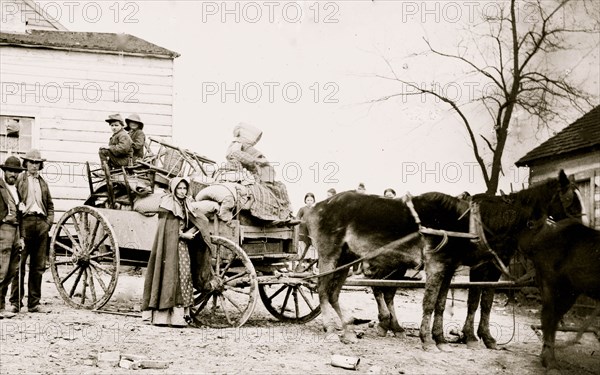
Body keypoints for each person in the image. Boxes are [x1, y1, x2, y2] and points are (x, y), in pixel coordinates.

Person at [142, 177, 213, 327]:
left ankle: (180, 317)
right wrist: (182, 235)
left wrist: (194, 230)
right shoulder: (167, 205)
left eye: (184, 188)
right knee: (169, 277)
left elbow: (201, 220)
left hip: (182, 247)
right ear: (173, 189)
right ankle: (162, 318)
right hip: (169, 248)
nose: (182, 191)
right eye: (179, 188)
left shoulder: (187, 203)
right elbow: (167, 230)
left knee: (184, 277)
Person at [9, 150, 54, 313]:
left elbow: (50, 205)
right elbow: (13, 202)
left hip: (41, 224)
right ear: (26, 164)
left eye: (37, 163)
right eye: (31, 162)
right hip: (24, 224)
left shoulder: (43, 183)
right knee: (19, 265)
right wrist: (17, 226)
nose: (34, 166)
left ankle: (34, 303)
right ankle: (15, 302)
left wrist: (48, 223)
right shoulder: (19, 180)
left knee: (38, 266)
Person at [225, 123, 294, 222]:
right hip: (248, 174)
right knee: (270, 190)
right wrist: (256, 162)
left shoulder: (241, 145)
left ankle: (282, 215)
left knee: (279, 187)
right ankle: (276, 215)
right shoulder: (237, 144)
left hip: (254, 172)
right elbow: (240, 156)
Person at [0, 156, 25, 319]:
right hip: (3, 230)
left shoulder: (17, 190)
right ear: (4, 171)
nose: (13, 175)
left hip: (16, 232)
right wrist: (2, 219)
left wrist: (21, 237)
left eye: (16, 172)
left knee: (11, 269)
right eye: (10, 171)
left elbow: (21, 216)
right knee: (1, 269)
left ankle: (1, 306)